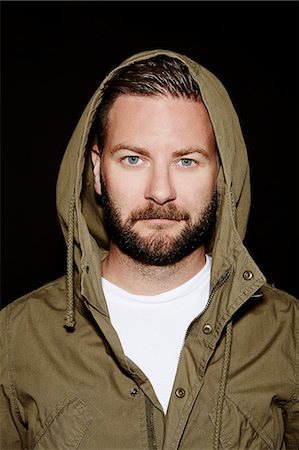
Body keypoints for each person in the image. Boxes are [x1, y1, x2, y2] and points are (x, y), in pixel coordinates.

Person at [0, 49, 298, 450]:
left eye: (187, 161)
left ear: (221, 174)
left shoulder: (289, 333)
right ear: (97, 171)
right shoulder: (15, 339)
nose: (160, 191)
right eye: (134, 158)